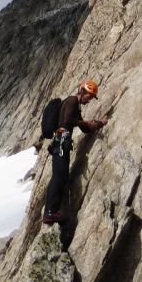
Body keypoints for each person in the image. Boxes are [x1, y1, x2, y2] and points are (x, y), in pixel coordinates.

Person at [41, 79, 108, 225]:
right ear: (82, 91)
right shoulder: (72, 101)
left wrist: (98, 124)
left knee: (62, 176)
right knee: (59, 176)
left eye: (91, 98)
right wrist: (85, 123)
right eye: (88, 96)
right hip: (61, 142)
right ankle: (50, 212)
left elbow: (84, 128)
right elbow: (68, 120)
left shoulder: (75, 106)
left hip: (62, 143)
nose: (89, 100)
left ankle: (52, 211)